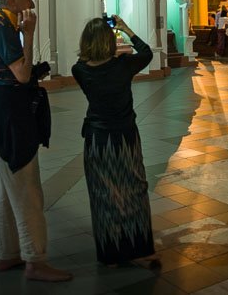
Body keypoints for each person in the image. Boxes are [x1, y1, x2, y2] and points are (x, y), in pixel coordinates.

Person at [0, 0, 72, 283]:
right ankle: (35, 260)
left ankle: (8, 254)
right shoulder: (3, 29)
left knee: (6, 191)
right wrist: (30, 35)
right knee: (28, 190)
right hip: (12, 117)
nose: (32, 5)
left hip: (0, 112)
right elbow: (21, 75)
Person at [72, 15, 159, 269]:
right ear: (110, 41)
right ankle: (139, 248)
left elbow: (83, 61)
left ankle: (110, 253)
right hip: (125, 137)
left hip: (98, 139)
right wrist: (125, 29)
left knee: (103, 194)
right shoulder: (124, 65)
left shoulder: (80, 71)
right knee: (134, 190)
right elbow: (146, 52)